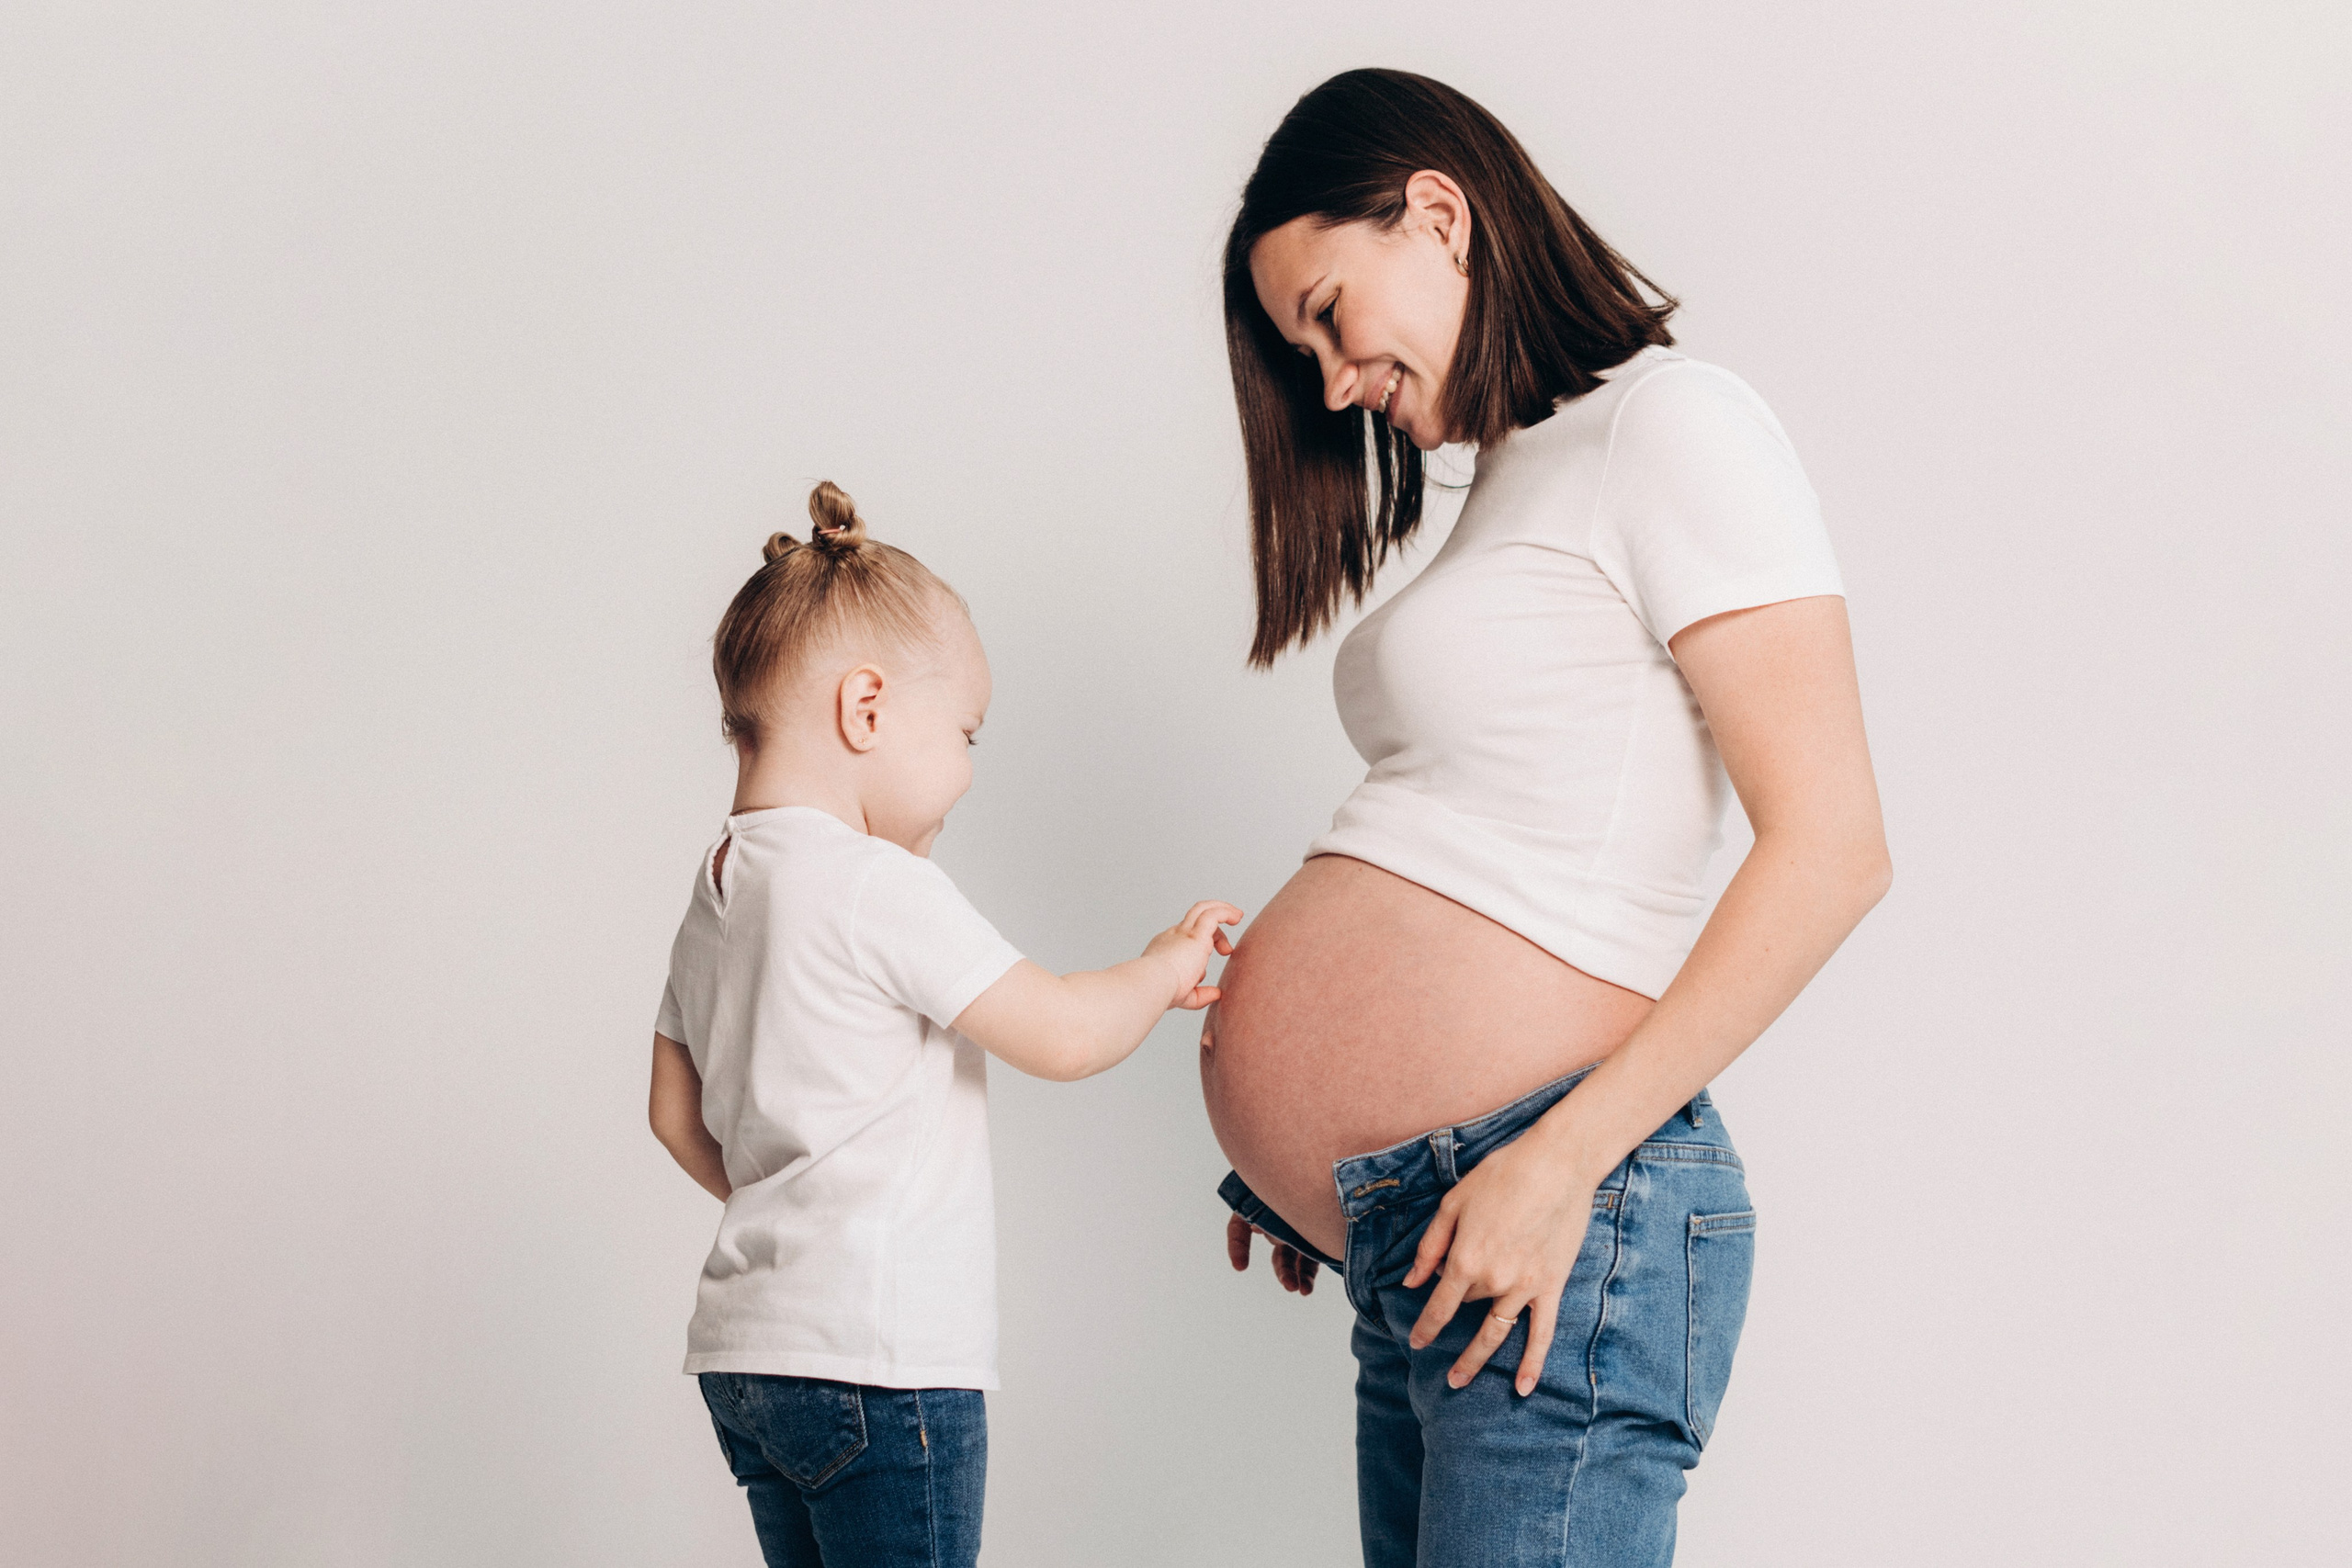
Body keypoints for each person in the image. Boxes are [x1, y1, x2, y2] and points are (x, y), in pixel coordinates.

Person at [1202, 70, 1892, 1567]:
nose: (1328, 381)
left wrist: (1558, 1158)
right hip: (1439, 1224)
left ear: (1437, 213)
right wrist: (1316, 1150)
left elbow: (1833, 846)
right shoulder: (1525, 474)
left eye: (1326, 311)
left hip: (1566, 1210)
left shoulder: (1672, 424)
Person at [647, 481, 1240, 1568]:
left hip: (750, 1357)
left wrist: (791, 1197)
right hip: (881, 1361)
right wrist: (1161, 970)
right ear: (866, 709)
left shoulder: (723, 883)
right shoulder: (875, 884)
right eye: (965, 733)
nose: (967, 768)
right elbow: (1060, 1033)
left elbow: (673, 1114)